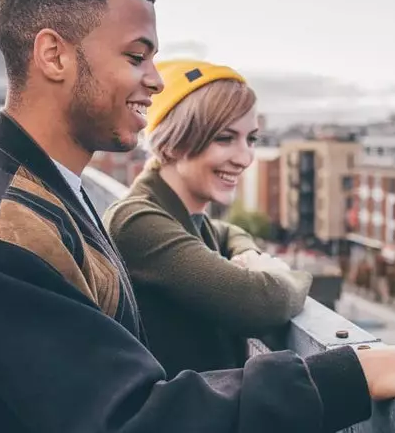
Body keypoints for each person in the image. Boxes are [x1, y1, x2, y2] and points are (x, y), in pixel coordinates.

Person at [0, 0, 395, 433]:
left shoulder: (42, 196)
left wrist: (244, 247)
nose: (154, 77)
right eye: (135, 55)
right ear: (54, 55)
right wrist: (350, 374)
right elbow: (127, 415)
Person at [104, 59, 312, 377]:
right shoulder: (137, 222)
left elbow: (226, 231)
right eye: (224, 138)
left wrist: (247, 254)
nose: (245, 158)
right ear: (174, 142)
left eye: (251, 139)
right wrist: (288, 275)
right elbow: (259, 303)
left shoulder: (180, 215)